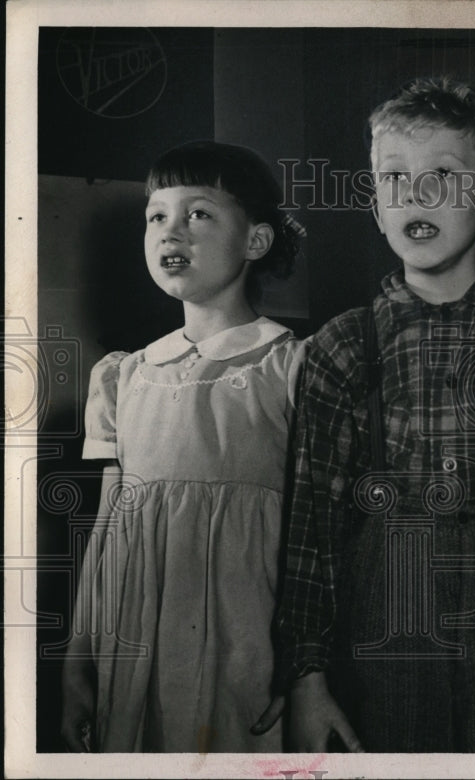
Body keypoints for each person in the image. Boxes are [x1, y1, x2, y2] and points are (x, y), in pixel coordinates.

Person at [276, 76, 475, 752]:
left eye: (443, 175)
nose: (416, 194)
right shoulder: (342, 345)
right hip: (386, 613)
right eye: (394, 178)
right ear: (376, 208)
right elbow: (312, 528)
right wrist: (307, 677)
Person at [60, 141, 307, 752]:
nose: (172, 232)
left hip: (246, 641)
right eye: (157, 216)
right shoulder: (124, 376)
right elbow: (106, 531)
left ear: (256, 241)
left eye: (198, 214)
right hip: (134, 639)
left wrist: (306, 665)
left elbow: (318, 536)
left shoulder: (292, 365)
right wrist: (77, 662)